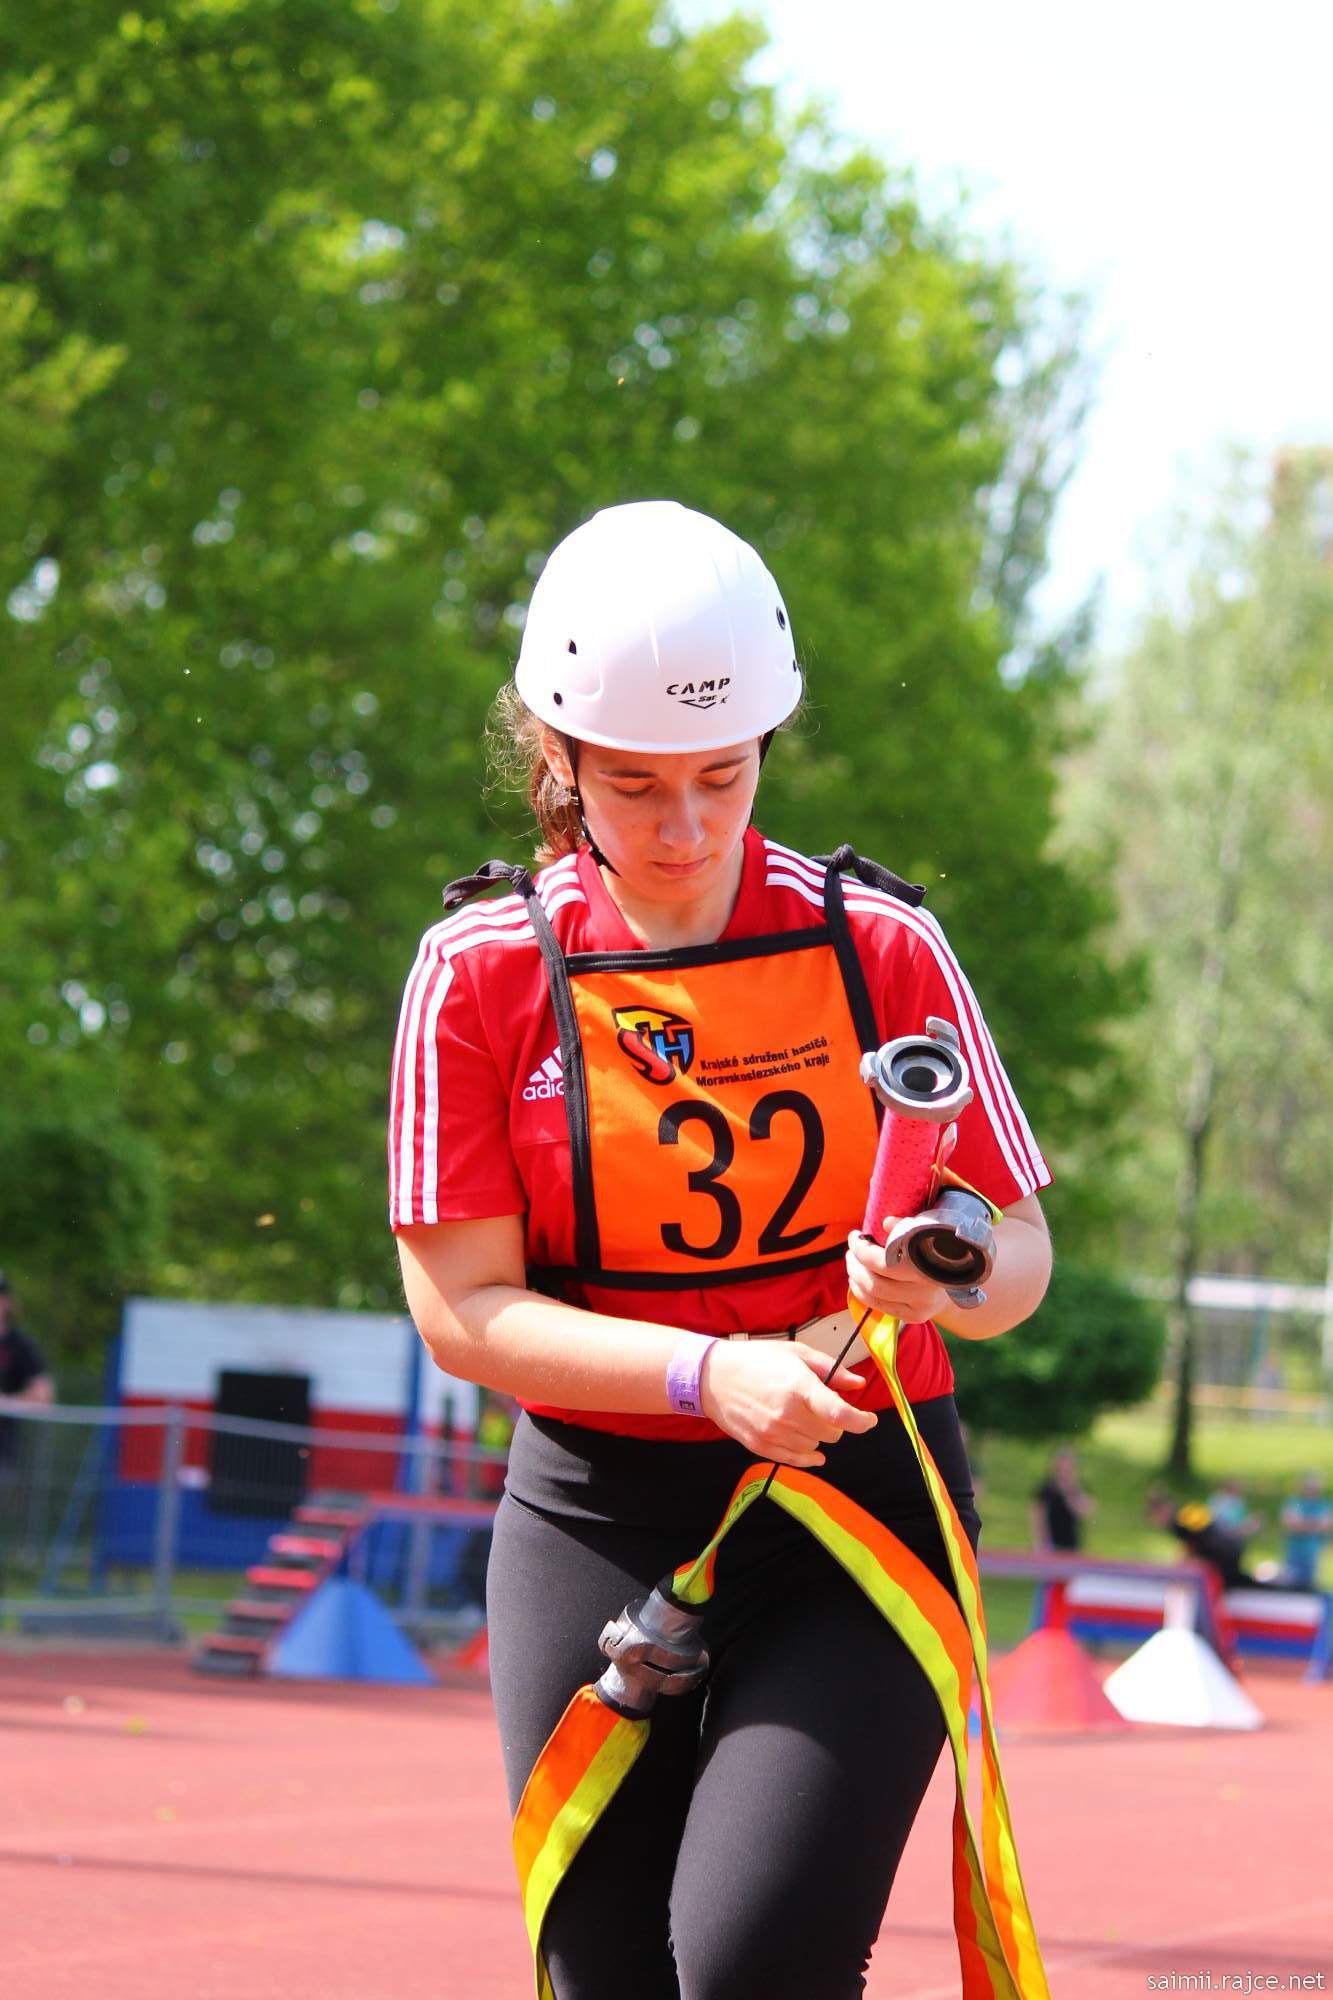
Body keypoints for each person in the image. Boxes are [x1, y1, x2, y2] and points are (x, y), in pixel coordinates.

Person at [389, 501, 1054, 1998]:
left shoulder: (880, 943)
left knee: (759, 1958)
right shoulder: (477, 973)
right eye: (634, 785)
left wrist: (948, 1263)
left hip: (860, 1506)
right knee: (605, 1972)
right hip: (596, 1506)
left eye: (723, 776)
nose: (684, 830)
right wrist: (710, 1373)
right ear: (558, 758)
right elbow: (463, 1311)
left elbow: (1016, 1255)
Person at [1030, 1445, 1094, 1552]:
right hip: (1050, 1545)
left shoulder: (1078, 1489)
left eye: (1070, 1465)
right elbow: (1036, 1516)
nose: (1066, 1469)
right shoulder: (1047, 1489)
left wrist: (1072, 1491)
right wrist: (1042, 1541)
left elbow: (1086, 1513)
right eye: (1063, 1464)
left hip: (1072, 1545)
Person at [1278, 1472, 1332, 1590]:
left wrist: (1302, 1523)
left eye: (1314, 1488)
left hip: (1313, 1551)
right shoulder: (1294, 1502)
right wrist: (1315, 1524)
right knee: (1289, 1582)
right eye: (1308, 1487)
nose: (1311, 1490)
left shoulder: (1324, 1504)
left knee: (1309, 1585)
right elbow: (1291, 1524)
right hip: (1293, 1549)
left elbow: (1327, 1525)